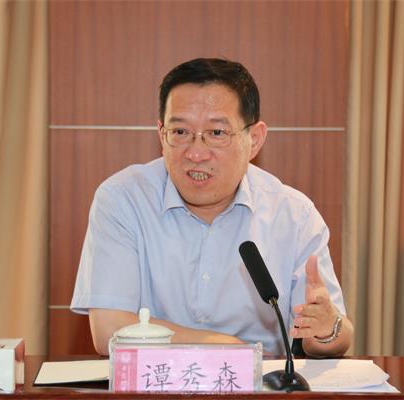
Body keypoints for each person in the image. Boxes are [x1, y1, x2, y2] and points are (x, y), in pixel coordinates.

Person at [71, 58, 353, 357]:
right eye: (180, 132)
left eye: (217, 133)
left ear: (254, 140)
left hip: (261, 381)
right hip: (155, 380)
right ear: (161, 135)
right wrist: (223, 347)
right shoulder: (123, 200)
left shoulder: (294, 215)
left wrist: (327, 329)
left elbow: (331, 337)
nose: (196, 153)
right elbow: (109, 329)